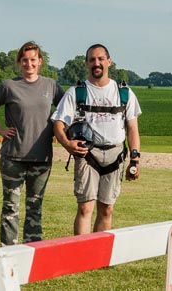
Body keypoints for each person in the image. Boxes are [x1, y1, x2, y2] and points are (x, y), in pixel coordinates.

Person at [51, 44, 142, 235]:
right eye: (92, 60)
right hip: (87, 155)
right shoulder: (76, 92)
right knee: (85, 208)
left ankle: (98, 254)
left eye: (101, 59)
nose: (96, 63)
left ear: (109, 61)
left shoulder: (124, 93)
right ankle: (81, 254)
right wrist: (68, 145)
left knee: (107, 208)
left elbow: (132, 128)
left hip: (115, 154)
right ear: (86, 64)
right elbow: (58, 124)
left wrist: (134, 159)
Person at [0, 41, 65, 246]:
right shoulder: (9, 86)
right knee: (11, 206)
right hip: (13, 157)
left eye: (33, 60)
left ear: (40, 61)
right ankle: (8, 249)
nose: (29, 64)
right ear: (20, 63)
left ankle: (32, 248)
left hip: (41, 158)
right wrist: (0, 130)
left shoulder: (51, 85)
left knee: (35, 206)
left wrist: (60, 130)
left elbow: (66, 110)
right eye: (25, 60)